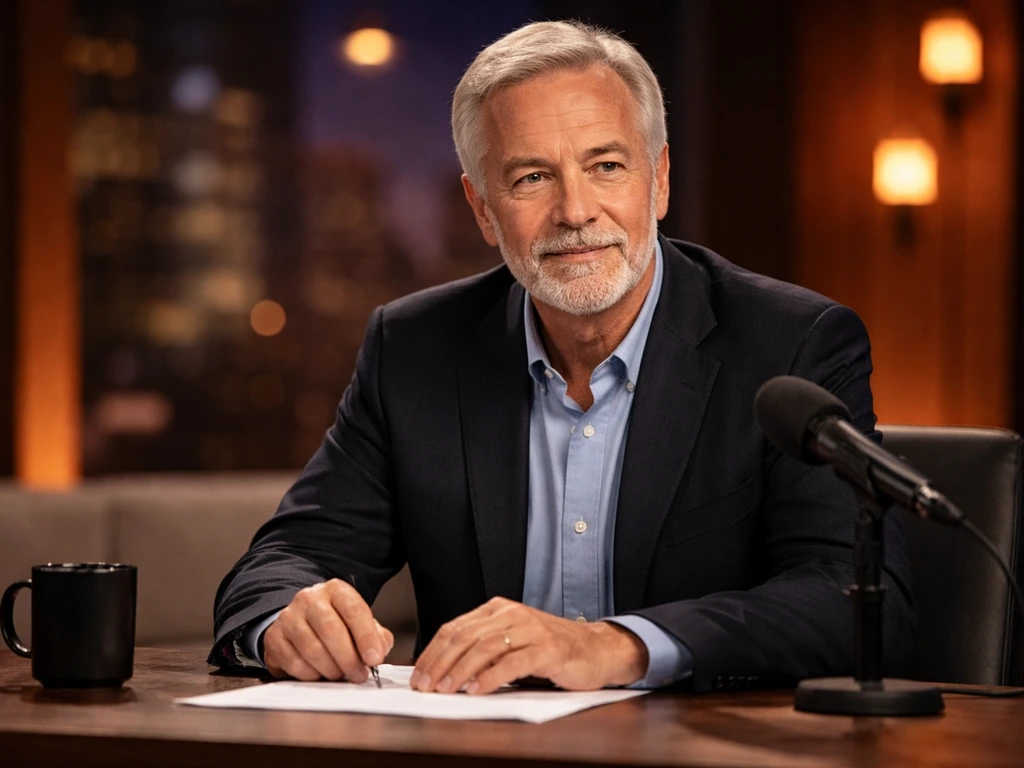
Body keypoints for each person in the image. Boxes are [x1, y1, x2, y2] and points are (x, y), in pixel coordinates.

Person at [210, 20, 914, 694]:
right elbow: (282, 562)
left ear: (659, 180)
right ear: (483, 208)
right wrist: (285, 621)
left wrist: (617, 645)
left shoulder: (790, 344)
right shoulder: (415, 348)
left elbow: (849, 598)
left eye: (606, 165)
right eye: (531, 179)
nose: (575, 210)